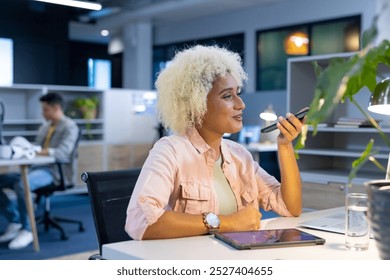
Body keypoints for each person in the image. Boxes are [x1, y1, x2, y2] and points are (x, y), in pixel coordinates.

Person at [125, 45, 304, 240]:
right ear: (197, 104)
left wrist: (285, 146)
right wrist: (228, 223)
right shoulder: (170, 151)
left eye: (238, 93)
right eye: (227, 96)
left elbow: (289, 207)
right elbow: (141, 222)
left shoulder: (239, 155)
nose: (241, 104)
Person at [0, 92, 79, 249]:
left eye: (45, 109)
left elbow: (62, 153)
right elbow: (35, 149)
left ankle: (27, 230)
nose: (43, 113)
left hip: (55, 172)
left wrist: (36, 150)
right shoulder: (45, 127)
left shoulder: (69, 126)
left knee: (23, 184)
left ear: (56, 108)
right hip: (36, 169)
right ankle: (15, 221)